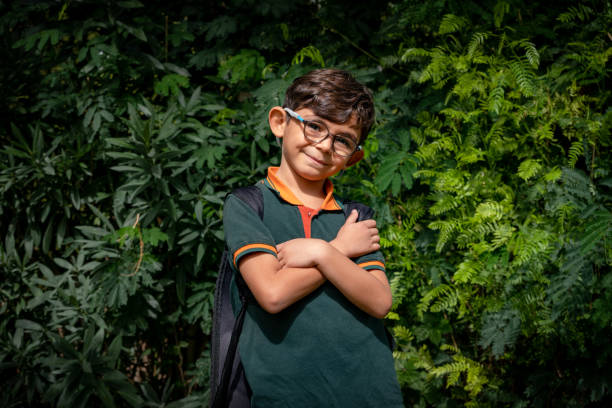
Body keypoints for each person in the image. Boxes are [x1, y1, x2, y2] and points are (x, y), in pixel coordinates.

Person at [222, 68, 404, 407]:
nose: (324, 145)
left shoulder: (355, 218)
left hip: (370, 393)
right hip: (285, 396)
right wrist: (338, 249)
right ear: (279, 122)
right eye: (315, 125)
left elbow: (379, 301)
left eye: (343, 140)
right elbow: (273, 294)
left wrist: (321, 252)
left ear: (353, 157)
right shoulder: (249, 205)